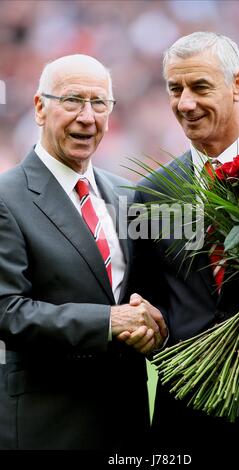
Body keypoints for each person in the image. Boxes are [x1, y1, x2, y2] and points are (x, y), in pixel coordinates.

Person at [122, 32, 239, 454]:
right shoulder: (151, 192)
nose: (185, 103)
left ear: (238, 84)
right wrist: (142, 320)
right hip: (185, 423)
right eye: (174, 89)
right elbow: (145, 299)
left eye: (200, 87)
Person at [0, 54, 167, 451]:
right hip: (49, 422)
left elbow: (138, 297)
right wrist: (109, 322)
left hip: (125, 421)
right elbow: (6, 310)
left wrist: (150, 326)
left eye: (100, 104)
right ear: (41, 108)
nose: (87, 117)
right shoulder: (7, 197)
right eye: (73, 100)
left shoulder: (126, 193)